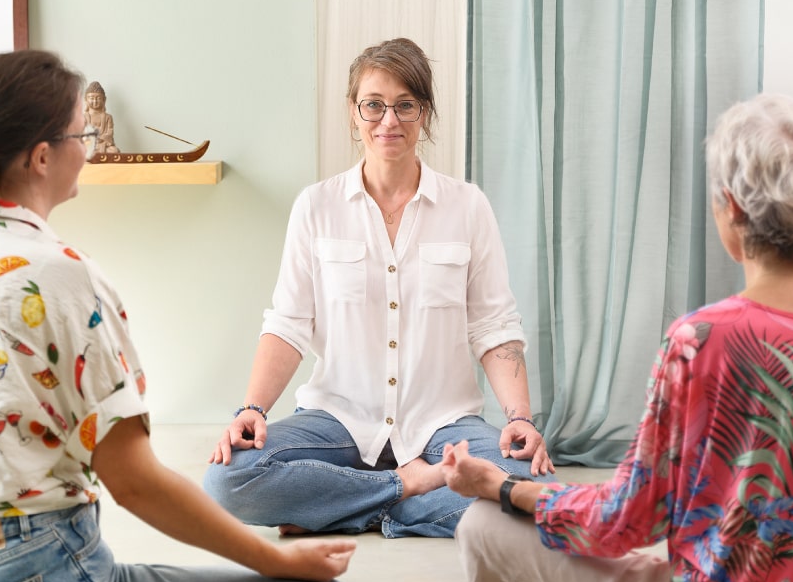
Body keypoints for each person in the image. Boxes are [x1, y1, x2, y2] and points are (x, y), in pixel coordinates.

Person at [0, 49, 389, 582]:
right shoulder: (60, 277)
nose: (90, 149)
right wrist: (273, 558)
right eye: (82, 135)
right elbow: (134, 482)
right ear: (42, 157)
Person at [440, 93, 793, 582]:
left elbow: (624, 521)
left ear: (731, 208)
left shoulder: (705, 339)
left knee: (484, 526)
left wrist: (501, 487)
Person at [204, 37, 553, 539]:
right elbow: (288, 324)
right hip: (337, 421)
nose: (389, 120)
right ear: (353, 111)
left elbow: (494, 327)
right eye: (374, 105)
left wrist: (520, 417)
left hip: (443, 426)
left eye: (405, 105)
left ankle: (347, 507)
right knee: (229, 477)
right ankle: (405, 490)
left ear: (424, 113)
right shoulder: (316, 207)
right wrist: (252, 410)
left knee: (532, 488)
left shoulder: (468, 207)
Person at [83, 80, 119, 155]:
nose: (95, 101)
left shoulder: (108, 117)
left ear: (104, 99)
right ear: (86, 100)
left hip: (103, 145)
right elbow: (82, 133)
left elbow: (110, 132)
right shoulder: (83, 117)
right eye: (91, 98)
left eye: (98, 98)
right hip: (88, 145)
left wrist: (101, 138)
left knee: (114, 151)